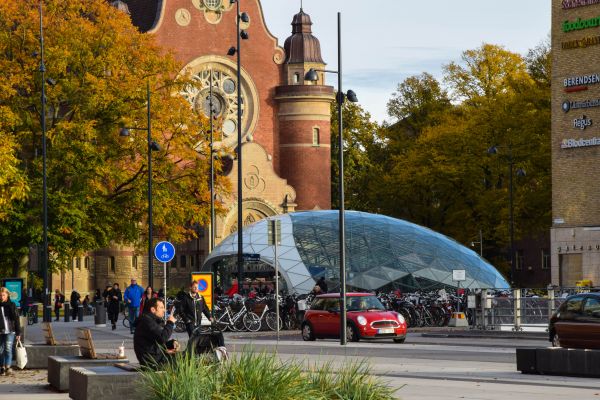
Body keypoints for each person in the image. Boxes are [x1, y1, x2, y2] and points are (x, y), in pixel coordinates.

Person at [133, 297, 178, 369]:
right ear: (153, 309)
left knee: (184, 356)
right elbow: (162, 337)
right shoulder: (147, 322)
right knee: (186, 358)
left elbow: (156, 342)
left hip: (154, 358)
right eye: (161, 307)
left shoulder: (150, 320)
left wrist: (171, 343)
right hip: (152, 362)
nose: (164, 310)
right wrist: (170, 323)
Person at [0, 287, 21, 376]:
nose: (1, 297)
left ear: (7, 295)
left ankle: (8, 367)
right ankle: (2, 367)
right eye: (0, 295)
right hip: (0, 331)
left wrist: (18, 332)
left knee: (8, 349)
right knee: (0, 350)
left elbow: (16, 319)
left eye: (3, 295)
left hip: (10, 330)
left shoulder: (12, 305)